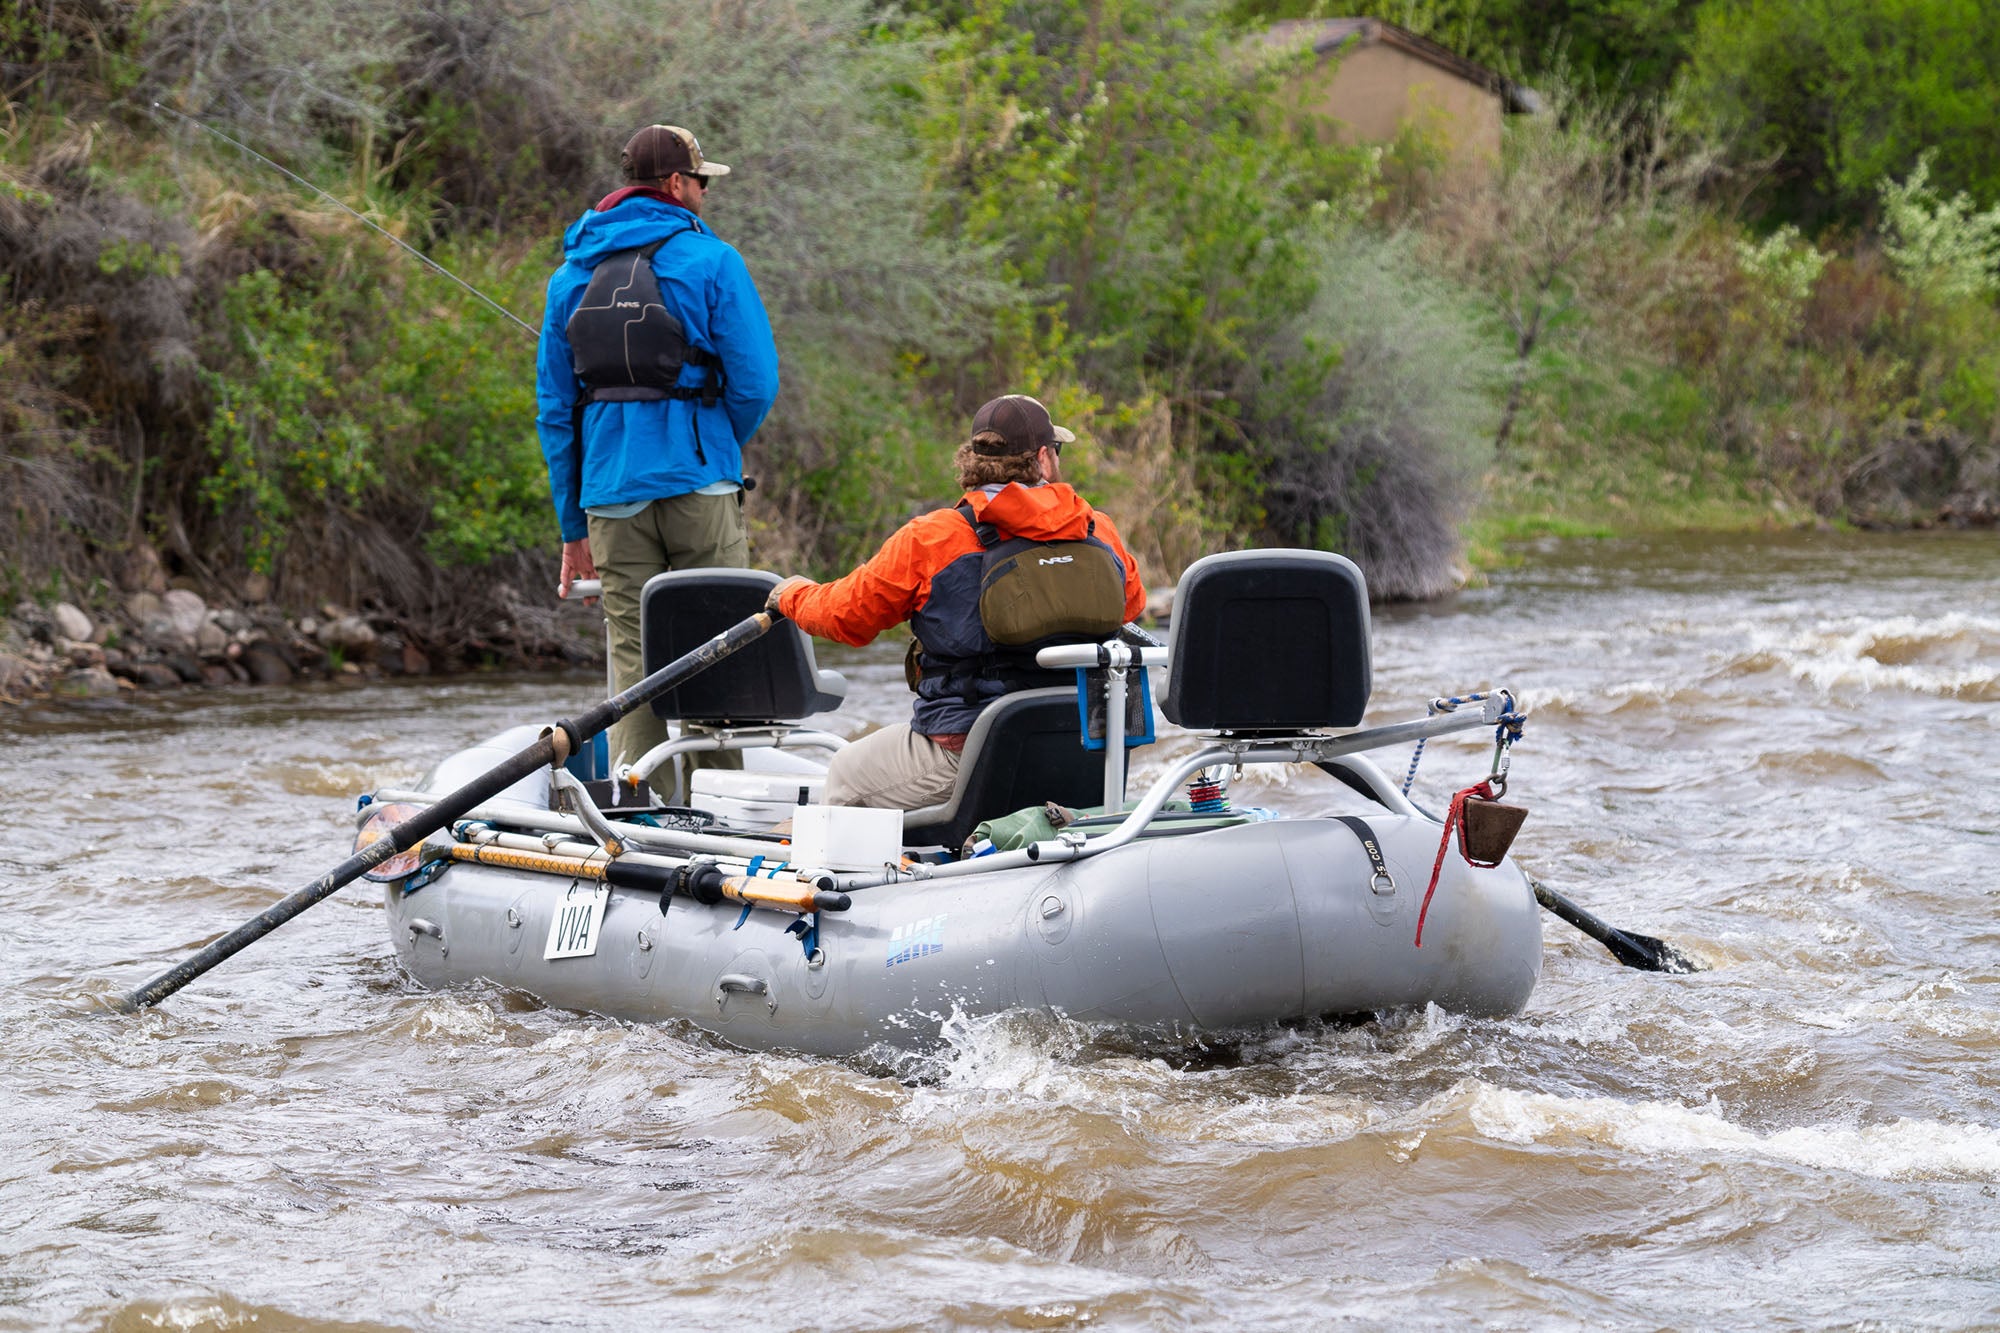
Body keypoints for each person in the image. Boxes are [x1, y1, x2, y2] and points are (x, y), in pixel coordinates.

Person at [536, 124, 779, 795]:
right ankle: (716, 808)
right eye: (702, 181)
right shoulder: (713, 261)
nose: (705, 193)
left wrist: (572, 525)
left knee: (633, 656)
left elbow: (556, 413)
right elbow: (756, 381)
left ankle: (636, 810)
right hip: (701, 485)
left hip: (609, 495)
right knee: (716, 647)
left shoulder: (568, 277)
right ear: (677, 185)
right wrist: (713, 445)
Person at [769, 395, 1146, 809]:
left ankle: (863, 869)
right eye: (1057, 450)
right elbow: (1131, 606)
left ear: (972, 459)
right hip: (1087, 752)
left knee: (846, 772)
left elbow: (845, 618)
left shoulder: (931, 538)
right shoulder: (1097, 528)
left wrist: (790, 595)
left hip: (969, 753)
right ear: (1043, 458)